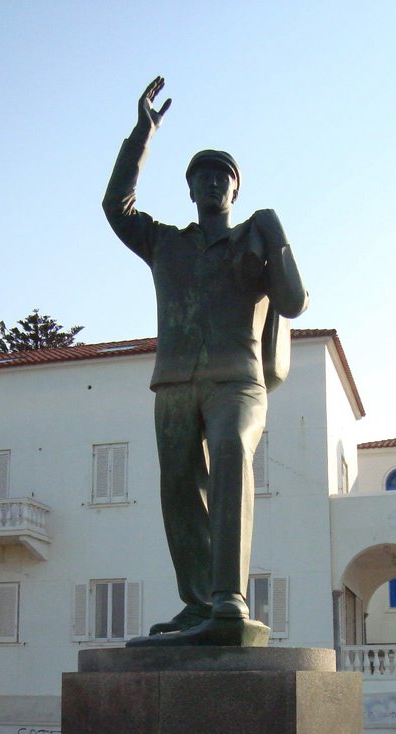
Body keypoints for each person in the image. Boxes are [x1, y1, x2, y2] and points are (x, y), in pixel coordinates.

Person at [103, 77, 308, 644]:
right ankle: (198, 604)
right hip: (173, 384)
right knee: (178, 489)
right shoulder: (165, 242)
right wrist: (143, 134)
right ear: (190, 188)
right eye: (204, 175)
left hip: (238, 383)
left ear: (235, 190)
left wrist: (275, 232)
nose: (214, 181)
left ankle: (229, 599)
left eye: (224, 175)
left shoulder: (254, 241)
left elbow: (292, 301)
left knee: (229, 451)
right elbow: (115, 207)